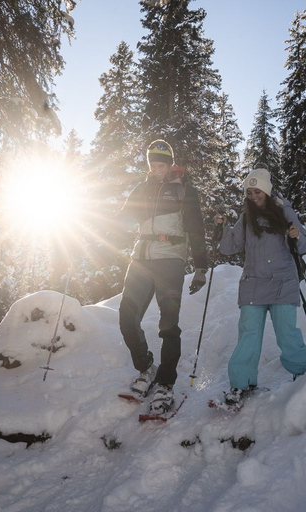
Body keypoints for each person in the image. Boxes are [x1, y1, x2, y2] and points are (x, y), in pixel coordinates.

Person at [118, 139, 208, 414]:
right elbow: (123, 220)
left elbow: (196, 229)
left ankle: (166, 384)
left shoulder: (183, 190)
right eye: (152, 164)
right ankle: (147, 368)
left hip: (170, 258)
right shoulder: (141, 190)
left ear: (170, 164)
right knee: (126, 317)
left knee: (168, 324)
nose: (156, 169)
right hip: (141, 257)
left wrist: (201, 267)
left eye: (161, 163)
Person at [215, 167, 306, 406]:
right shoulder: (246, 217)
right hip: (254, 284)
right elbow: (228, 248)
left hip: (283, 282)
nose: (253, 196)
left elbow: (305, 246)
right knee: (248, 335)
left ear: (267, 191)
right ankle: (241, 384)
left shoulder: (284, 211)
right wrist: (222, 228)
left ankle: (304, 377)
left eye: (257, 191)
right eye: (249, 192)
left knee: (287, 334)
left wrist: (296, 235)